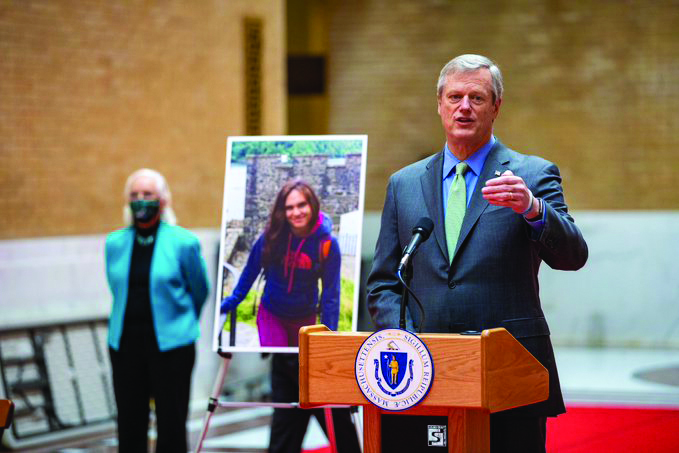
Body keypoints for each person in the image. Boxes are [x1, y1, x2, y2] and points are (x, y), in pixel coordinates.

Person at [366, 54, 588, 452]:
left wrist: (533, 209)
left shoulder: (532, 175)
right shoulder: (405, 183)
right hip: (423, 376)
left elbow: (573, 255)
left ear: (496, 107)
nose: (463, 107)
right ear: (439, 105)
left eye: (476, 97)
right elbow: (384, 282)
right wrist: (407, 341)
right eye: (454, 97)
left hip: (510, 374)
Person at [105, 168, 210, 452]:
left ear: (163, 200)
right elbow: (117, 290)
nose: (141, 200)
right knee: (129, 423)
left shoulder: (183, 242)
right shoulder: (114, 243)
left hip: (172, 347)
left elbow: (200, 289)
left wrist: (182, 320)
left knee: (172, 424)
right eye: (135, 195)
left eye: (148, 194)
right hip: (125, 346)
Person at [220, 179, 341, 347]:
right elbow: (251, 269)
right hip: (271, 315)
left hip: (305, 321)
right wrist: (233, 300)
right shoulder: (273, 236)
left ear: (312, 204)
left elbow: (331, 294)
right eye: (289, 208)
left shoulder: (327, 245)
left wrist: (330, 337)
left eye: (302, 205)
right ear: (282, 211)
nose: (296, 212)